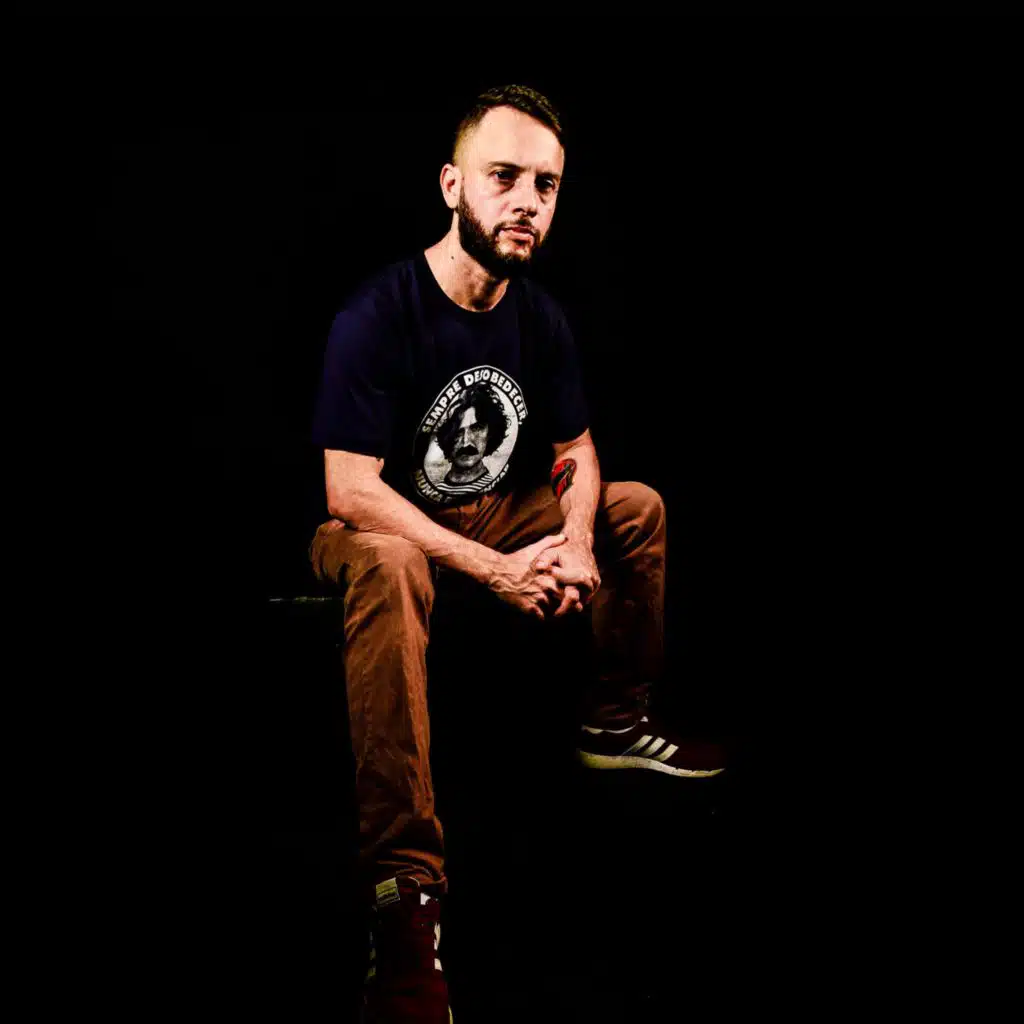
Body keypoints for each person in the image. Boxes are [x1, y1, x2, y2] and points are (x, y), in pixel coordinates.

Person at [308, 84, 724, 1024]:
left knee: (633, 509)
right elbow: (349, 490)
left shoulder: (538, 316)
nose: (527, 201)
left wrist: (572, 542)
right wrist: (499, 571)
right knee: (392, 562)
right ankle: (405, 898)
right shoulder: (380, 310)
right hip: (376, 530)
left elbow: (576, 450)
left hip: (488, 511)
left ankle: (613, 726)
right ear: (452, 185)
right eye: (504, 177)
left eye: (546, 184)